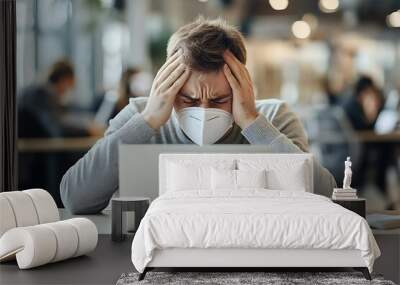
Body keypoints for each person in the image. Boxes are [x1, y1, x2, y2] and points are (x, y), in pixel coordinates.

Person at [60, 18, 337, 214]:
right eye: (189, 99)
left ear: (242, 85)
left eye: (219, 100)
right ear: (169, 85)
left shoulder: (274, 117)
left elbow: (325, 196)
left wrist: (254, 124)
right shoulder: (141, 114)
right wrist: (147, 122)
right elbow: (76, 198)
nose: (204, 111)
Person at [18, 59, 103, 138]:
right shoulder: (39, 94)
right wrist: (87, 130)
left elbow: (64, 114)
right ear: (64, 80)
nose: (67, 92)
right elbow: (56, 129)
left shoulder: (43, 92)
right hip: (30, 149)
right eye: (70, 86)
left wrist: (85, 124)